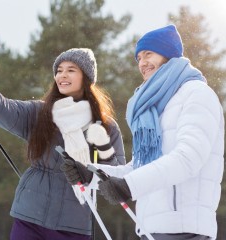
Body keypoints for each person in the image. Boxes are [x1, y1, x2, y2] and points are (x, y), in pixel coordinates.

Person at [61, 25, 225, 239]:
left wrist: (130, 186)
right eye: (138, 57)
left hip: (184, 230)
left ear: (168, 54)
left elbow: (189, 158)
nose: (142, 63)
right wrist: (90, 174)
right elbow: (139, 168)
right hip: (149, 228)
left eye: (149, 54)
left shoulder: (196, 94)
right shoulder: (155, 109)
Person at [0, 48, 126, 240]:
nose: (62, 75)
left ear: (86, 77)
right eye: (59, 70)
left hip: (74, 224)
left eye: (71, 70)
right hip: (30, 216)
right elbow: (7, 109)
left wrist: (104, 148)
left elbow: (118, 178)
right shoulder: (41, 113)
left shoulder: (105, 126)